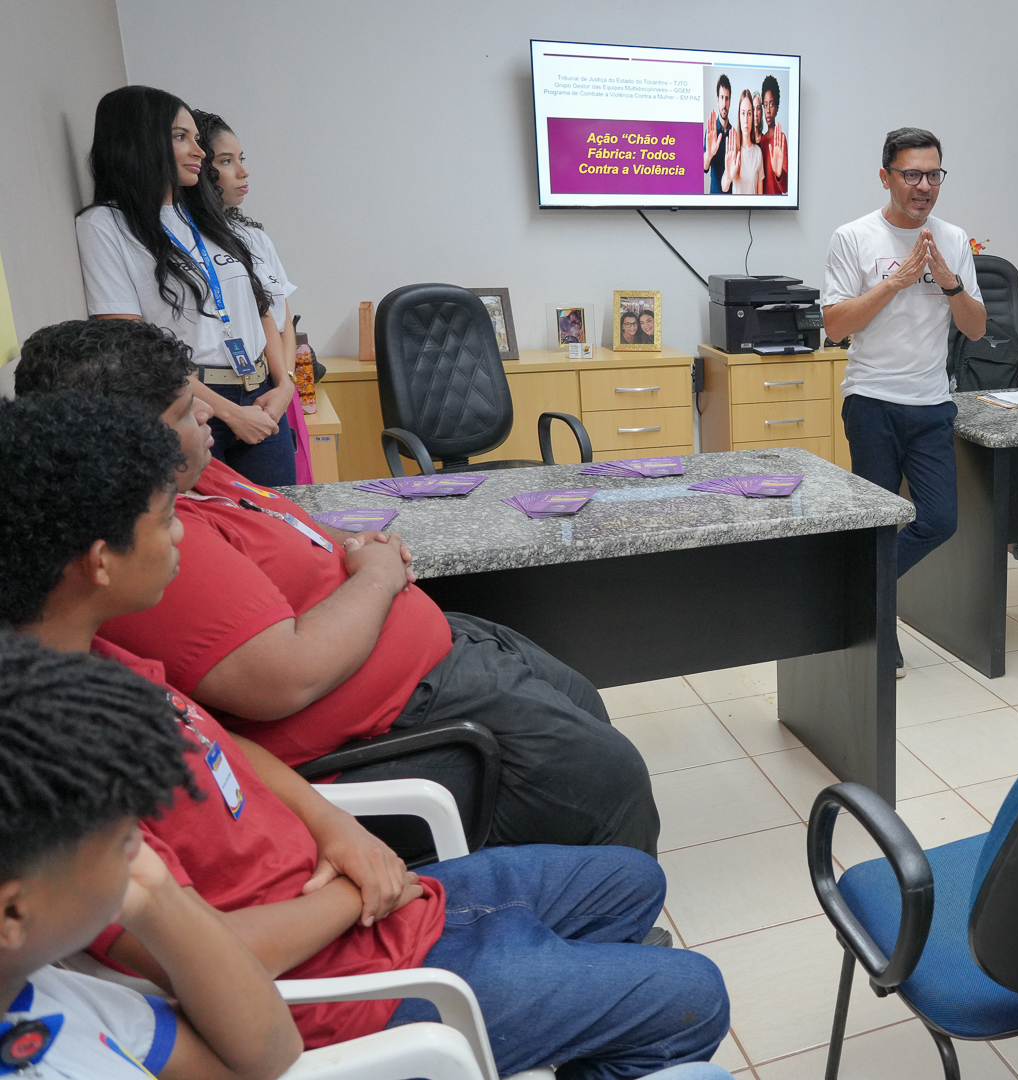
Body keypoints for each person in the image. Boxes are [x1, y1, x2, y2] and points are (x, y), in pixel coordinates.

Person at [0, 391, 732, 1077]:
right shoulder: (56, 766)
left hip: (369, 903)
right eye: (165, 520)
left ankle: (566, 1013)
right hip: (347, 985)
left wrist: (336, 830)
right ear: (100, 561)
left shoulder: (93, 656)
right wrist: (356, 895)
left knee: (634, 882)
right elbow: (206, 959)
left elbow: (227, 746)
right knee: (693, 993)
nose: (183, 532)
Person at [14, 319, 660, 859]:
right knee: (613, 777)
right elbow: (285, 676)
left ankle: (596, 895)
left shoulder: (195, 476)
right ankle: (614, 936)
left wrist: (360, 551)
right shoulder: (152, 542)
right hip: (400, 720)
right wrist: (377, 576)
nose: (210, 413)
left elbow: (294, 530)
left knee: (579, 698)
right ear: (127, 441)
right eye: (188, 411)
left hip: (429, 659)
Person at [0, 633, 303, 1080]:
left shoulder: (36, 990)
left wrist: (152, 893)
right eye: (124, 839)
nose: (140, 851)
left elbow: (267, 1057)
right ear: (12, 912)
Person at [822, 127, 987, 670]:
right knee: (878, 524)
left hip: (931, 403)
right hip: (871, 400)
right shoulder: (854, 237)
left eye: (933, 175)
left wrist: (949, 283)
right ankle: (877, 630)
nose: (924, 186)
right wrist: (895, 283)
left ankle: (858, 590)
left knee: (939, 520)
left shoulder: (954, 239)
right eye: (911, 174)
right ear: (885, 176)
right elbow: (835, 327)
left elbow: (978, 329)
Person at [75, 86, 296, 487]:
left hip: (261, 397)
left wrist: (283, 388)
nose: (199, 151)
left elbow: (261, 308)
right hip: (190, 408)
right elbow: (133, 347)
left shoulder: (206, 217)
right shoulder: (105, 226)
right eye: (181, 138)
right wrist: (229, 413)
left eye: (197, 138)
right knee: (218, 536)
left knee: (284, 526)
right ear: (138, 142)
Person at [192, 108, 313, 484]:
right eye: (226, 161)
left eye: (241, 159)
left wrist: (284, 387)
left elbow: (279, 318)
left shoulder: (254, 237)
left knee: (284, 513)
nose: (243, 172)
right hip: (204, 395)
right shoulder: (177, 238)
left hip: (263, 387)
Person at [726, 89, 764, 194]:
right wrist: (729, 176)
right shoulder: (733, 150)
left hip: (754, 210)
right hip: (735, 210)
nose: (746, 120)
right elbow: (724, 187)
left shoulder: (758, 152)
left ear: (753, 117)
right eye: (743, 113)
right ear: (739, 117)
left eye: (749, 113)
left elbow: (760, 196)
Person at [704, 74, 732, 195]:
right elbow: (704, 168)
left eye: (727, 98)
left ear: (730, 100)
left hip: (733, 202)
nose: (724, 103)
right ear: (717, 99)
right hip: (714, 201)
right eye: (722, 98)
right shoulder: (711, 131)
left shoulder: (734, 134)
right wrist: (709, 155)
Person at [761, 75, 788, 196]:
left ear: (777, 107)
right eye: (765, 105)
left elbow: (785, 188)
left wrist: (779, 174)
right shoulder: (761, 141)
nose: (768, 110)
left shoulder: (781, 139)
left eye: (771, 105)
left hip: (776, 209)